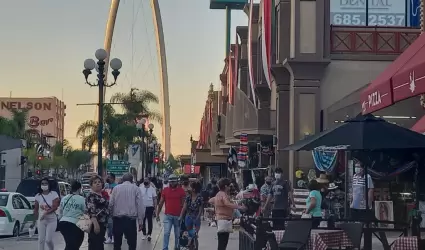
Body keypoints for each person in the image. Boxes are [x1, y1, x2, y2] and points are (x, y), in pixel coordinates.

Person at [109, 173, 145, 250]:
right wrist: (140, 221)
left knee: (117, 243)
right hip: (130, 221)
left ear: (122, 180)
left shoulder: (116, 188)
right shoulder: (136, 189)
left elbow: (111, 204)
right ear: (132, 180)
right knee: (132, 244)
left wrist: (112, 216)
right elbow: (140, 206)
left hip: (117, 219)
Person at [209, 178, 246, 250]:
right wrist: (240, 207)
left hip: (221, 220)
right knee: (223, 242)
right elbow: (227, 204)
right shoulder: (223, 194)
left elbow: (211, 200)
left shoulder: (218, 194)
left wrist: (218, 205)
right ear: (226, 186)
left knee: (221, 242)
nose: (230, 188)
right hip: (224, 220)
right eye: (229, 186)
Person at [156, 174, 186, 250]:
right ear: (169, 182)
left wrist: (183, 216)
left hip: (178, 216)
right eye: (171, 181)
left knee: (177, 235)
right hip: (168, 216)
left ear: (177, 182)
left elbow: (183, 205)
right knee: (166, 233)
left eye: (174, 181)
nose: (172, 183)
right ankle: (165, 248)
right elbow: (161, 203)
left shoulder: (181, 191)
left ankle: (176, 247)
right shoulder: (165, 190)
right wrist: (157, 214)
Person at [33, 178, 60, 250]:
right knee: (41, 240)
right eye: (42, 183)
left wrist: (46, 213)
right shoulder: (38, 196)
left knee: (48, 240)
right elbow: (35, 209)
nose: (44, 185)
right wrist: (34, 222)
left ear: (49, 185)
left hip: (51, 220)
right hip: (41, 220)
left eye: (46, 183)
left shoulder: (54, 194)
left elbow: (55, 207)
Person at [59, 180, 86, 250]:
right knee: (74, 245)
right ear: (79, 189)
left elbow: (60, 212)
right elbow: (86, 212)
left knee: (69, 244)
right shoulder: (82, 199)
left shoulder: (64, 198)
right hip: (75, 224)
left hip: (63, 223)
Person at [86, 175, 109, 250]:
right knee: (95, 245)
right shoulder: (91, 195)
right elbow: (91, 211)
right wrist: (96, 225)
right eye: (95, 182)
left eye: (99, 182)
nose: (98, 183)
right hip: (95, 224)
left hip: (102, 224)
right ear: (91, 185)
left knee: (99, 244)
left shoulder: (101, 195)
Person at [139, 176, 157, 241]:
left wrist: (155, 208)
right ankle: (144, 233)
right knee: (142, 221)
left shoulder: (152, 189)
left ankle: (149, 234)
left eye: (146, 180)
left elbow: (154, 199)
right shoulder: (140, 188)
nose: (145, 181)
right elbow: (138, 198)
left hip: (150, 207)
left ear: (149, 181)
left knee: (149, 220)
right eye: (144, 180)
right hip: (142, 207)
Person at [105, 173, 117, 244]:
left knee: (112, 223)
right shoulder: (106, 186)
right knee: (108, 224)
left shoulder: (116, 186)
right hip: (106, 206)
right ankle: (109, 237)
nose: (108, 179)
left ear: (113, 178)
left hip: (113, 207)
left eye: (109, 177)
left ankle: (113, 236)